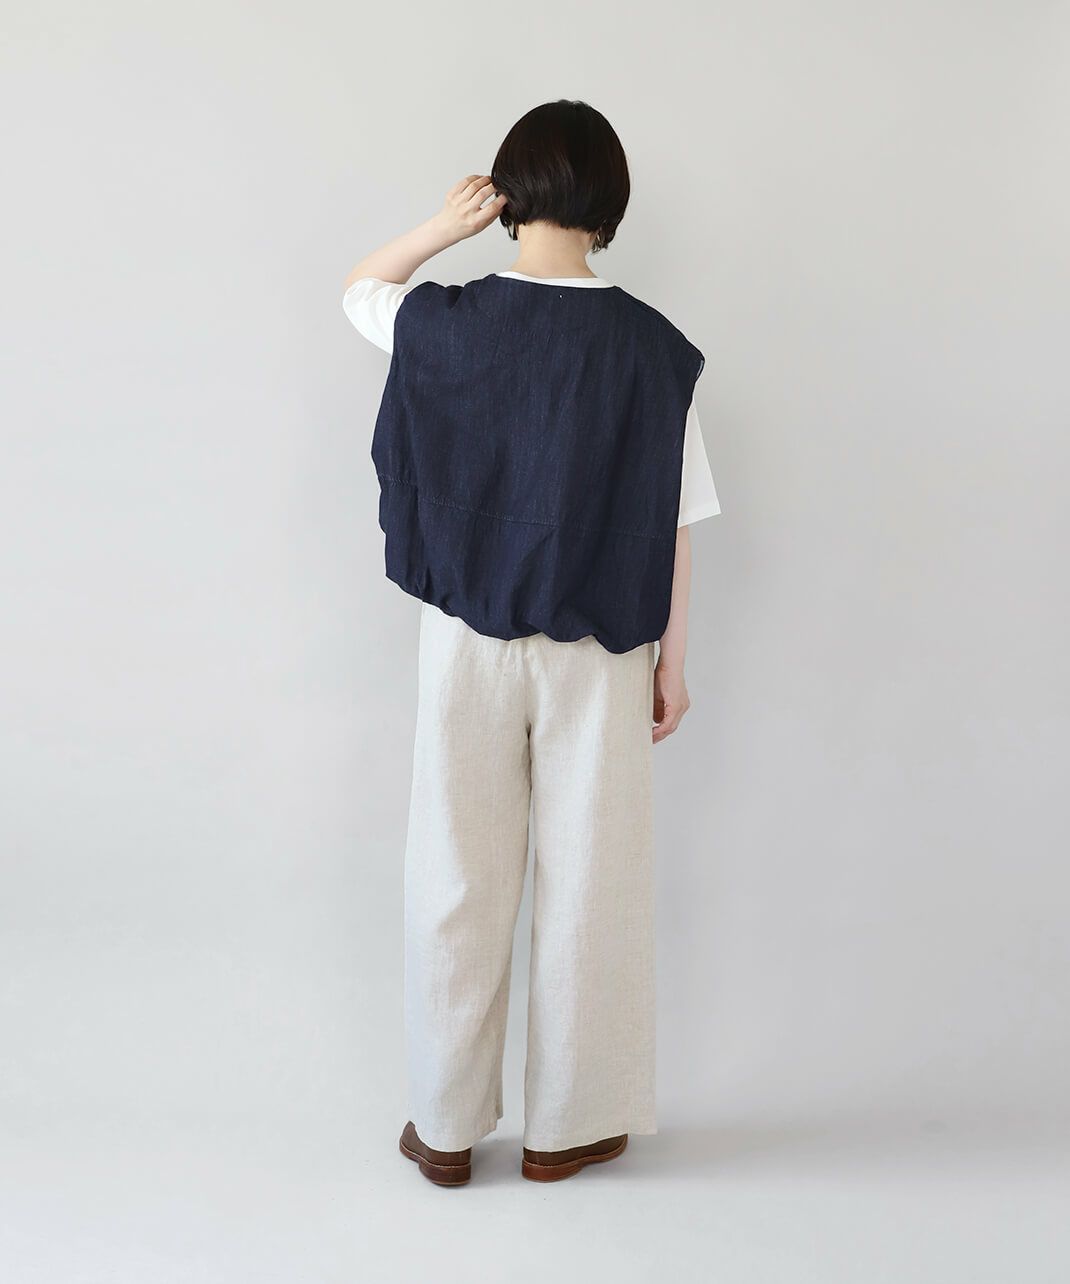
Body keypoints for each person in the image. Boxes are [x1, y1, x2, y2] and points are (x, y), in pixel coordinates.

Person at [342, 100, 720, 1186]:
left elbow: (361, 291)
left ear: (505, 196)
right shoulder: (655, 353)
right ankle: (568, 1128)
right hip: (600, 647)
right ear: (610, 204)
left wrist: (441, 227)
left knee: (453, 872)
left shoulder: (444, 323)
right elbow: (673, 519)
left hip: (463, 640)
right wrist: (672, 663)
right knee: (592, 878)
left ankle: (443, 1126)